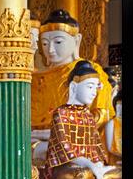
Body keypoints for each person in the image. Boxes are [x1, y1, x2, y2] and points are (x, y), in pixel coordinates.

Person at [31, 9, 115, 162]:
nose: (50, 49)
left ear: (77, 40)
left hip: (75, 138)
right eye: (44, 43)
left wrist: (61, 131)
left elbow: (102, 115)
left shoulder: (89, 71)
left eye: (58, 42)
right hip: (36, 141)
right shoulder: (36, 77)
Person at [44, 61, 121, 179]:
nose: (94, 93)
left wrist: (99, 167)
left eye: (96, 88)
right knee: (83, 175)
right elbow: (64, 148)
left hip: (91, 168)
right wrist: (90, 165)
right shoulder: (61, 113)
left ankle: (98, 177)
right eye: (90, 87)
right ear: (73, 87)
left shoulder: (88, 115)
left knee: (118, 173)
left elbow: (96, 149)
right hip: (68, 169)